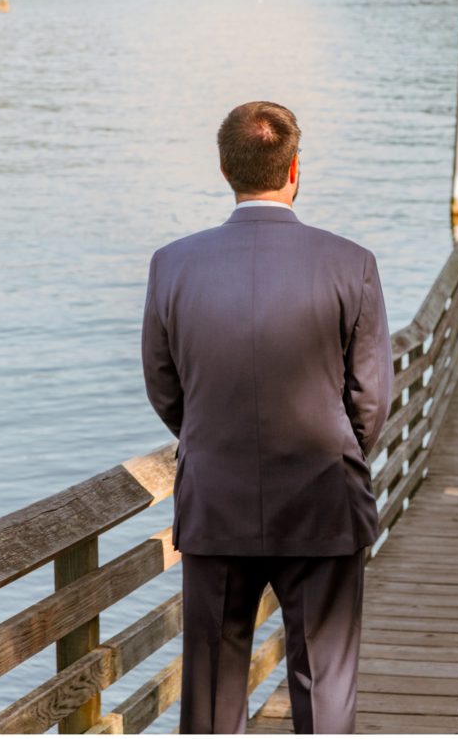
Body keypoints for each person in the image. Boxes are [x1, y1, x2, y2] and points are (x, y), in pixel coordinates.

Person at [142, 100, 393, 733]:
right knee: (325, 680)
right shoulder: (350, 263)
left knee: (211, 681)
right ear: (295, 169)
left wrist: (217, 444)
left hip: (215, 502)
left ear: (224, 168)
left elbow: (165, 387)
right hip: (323, 498)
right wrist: (334, 450)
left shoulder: (172, 264)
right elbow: (371, 398)